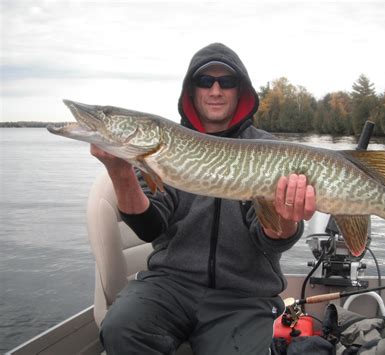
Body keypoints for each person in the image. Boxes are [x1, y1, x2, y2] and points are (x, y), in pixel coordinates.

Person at [92, 42, 317, 355]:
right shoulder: (163, 148)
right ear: (191, 91)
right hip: (170, 286)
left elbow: (270, 240)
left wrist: (284, 223)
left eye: (226, 82)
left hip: (244, 295)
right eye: (204, 81)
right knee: (121, 328)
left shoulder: (268, 149)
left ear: (241, 92)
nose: (215, 90)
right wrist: (120, 172)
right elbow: (150, 228)